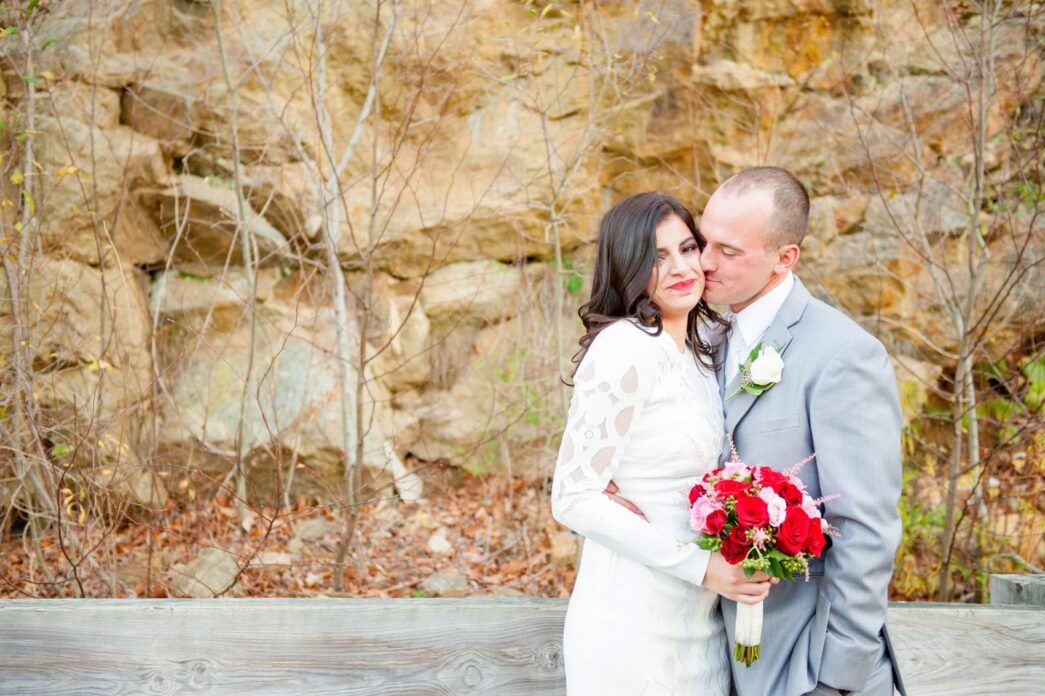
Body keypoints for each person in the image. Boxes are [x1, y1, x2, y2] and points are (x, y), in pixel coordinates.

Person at [551, 192, 774, 695]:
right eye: (656, 257)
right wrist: (702, 567)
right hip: (632, 618)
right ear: (627, 267)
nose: (680, 267)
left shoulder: (701, 350)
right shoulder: (626, 348)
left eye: (687, 248)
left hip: (698, 621)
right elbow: (572, 496)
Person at [698, 166, 905, 695]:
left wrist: (834, 678)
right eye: (703, 242)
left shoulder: (844, 355)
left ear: (784, 257)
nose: (704, 263)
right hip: (707, 654)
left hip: (803, 663)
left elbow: (865, 531)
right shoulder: (703, 338)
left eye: (728, 250)